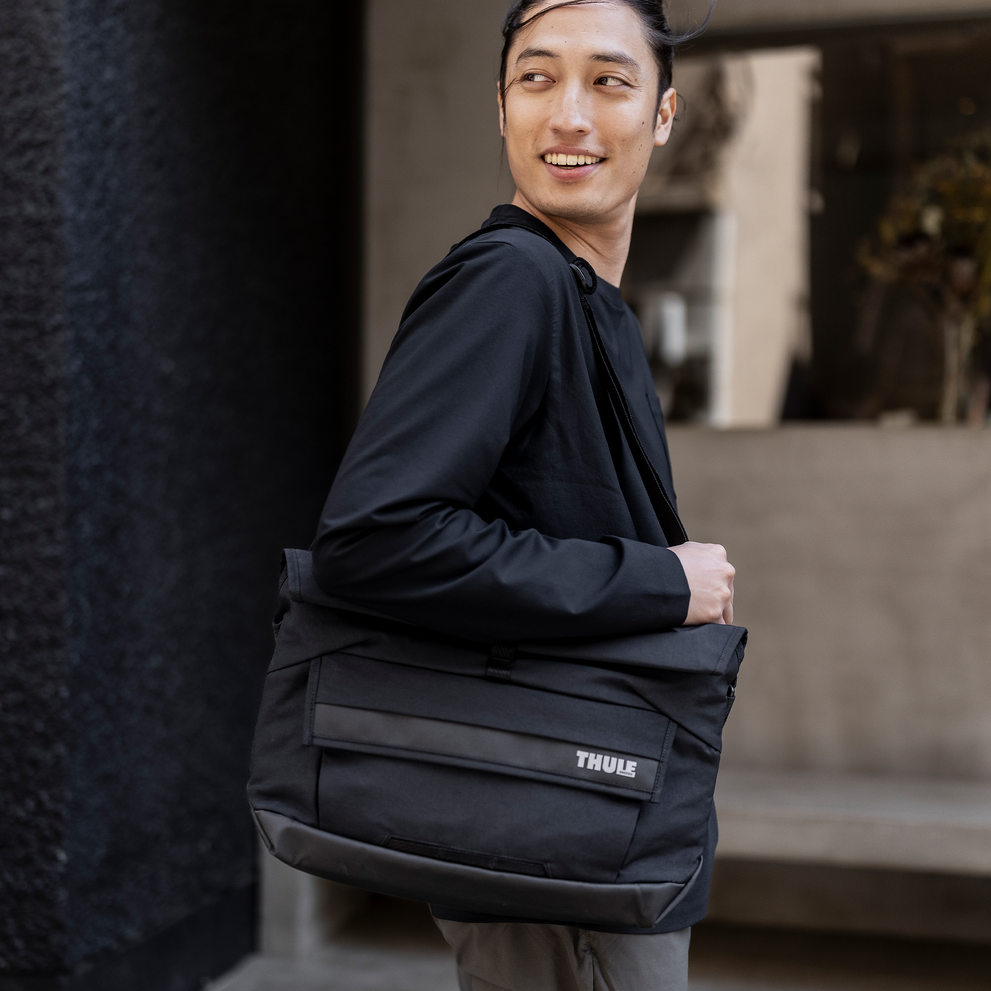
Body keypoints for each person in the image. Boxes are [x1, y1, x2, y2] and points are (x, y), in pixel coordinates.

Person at [312, 0, 735, 987]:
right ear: (500, 110)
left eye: (609, 81)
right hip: (553, 847)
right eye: (536, 79)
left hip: (587, 827)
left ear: (663, 114)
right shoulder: (512, 282)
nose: (570, 115)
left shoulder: (589, 304)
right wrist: (658, 583)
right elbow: (376, 537)